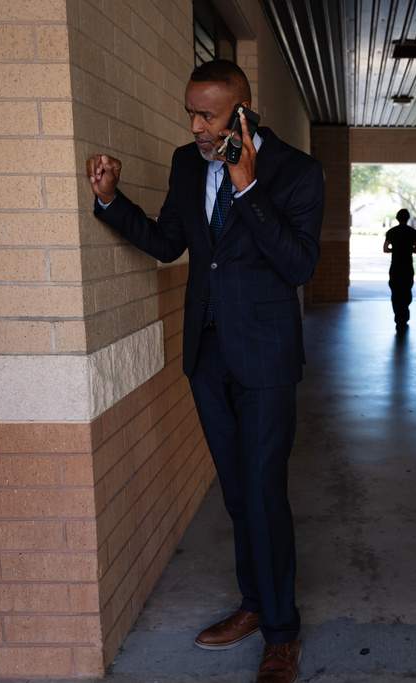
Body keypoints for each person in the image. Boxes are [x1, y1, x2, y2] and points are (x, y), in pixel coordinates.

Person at [86, 59, 322, 683]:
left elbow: (299, 266)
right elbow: (170, 243)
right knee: (238, 494)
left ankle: (282, 634)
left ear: (242, 112)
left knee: (265, 494)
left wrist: (247, 186)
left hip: (266, 359)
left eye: (207, 115)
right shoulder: (186, 163)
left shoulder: (296, 171)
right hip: (208, 354)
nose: (195, 126)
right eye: (190, 112)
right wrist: (110, 201)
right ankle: (255, 604)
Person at [383, 209, 416, 330]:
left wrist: (394, 250)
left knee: (395, 292)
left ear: (397, 218)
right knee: (406, 290)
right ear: (408, 218)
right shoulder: (413, 232)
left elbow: (385, 249)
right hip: (407, 266)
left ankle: (398, 317)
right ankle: (405, 315)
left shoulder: (391, 232)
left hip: (395, 266)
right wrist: (408, 249)